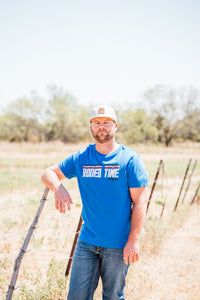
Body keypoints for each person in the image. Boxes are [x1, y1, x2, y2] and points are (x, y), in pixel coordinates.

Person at [41, 105, 148, 300]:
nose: (102, 127)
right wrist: (58, 187)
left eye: (106, 123)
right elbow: (48, 173)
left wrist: (133, 240)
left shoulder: (130, 159)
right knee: (76, 297)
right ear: (91, 128)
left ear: (115, 126)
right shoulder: (81, 158)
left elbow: (140, 202)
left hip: (118, 244)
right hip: (87, 242)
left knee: (113, 296)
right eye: (97, 123)